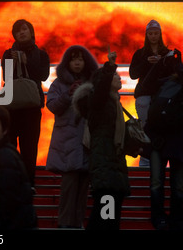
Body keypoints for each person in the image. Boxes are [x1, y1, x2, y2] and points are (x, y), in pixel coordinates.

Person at [73, 48, 131, 230]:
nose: (119, 78)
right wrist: (109, 67)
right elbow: (100, 90)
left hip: (113, 167)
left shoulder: (113, 103)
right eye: (116, 76)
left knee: (107, 216)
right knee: (107, 218)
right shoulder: (99, 103)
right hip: (106, 169)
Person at [46, 45, 98, 228]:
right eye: (73, 59)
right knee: (68, 189)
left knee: (83, 190)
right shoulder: (58, 84)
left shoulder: (93, 83)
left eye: (81, 59)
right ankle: (64, 225)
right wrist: (68, 95)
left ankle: (77, 224)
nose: (77, 62)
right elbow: (52, 106)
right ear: (67, 63)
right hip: (67, 143)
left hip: (85, 142)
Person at [1, 19, 50, 188]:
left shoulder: (41, 55)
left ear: (31, 31)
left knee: (29, 148)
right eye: (17, 31)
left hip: (32, 108)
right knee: (9, 147)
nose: (21, 33)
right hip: (10, 108)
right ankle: (10, 182)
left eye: (24, 29)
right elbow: (6, 78)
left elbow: (42, 75)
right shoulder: (8, 54)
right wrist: (14, 62)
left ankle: (29, 184)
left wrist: (26, 61)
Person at [145, 50, 183, 230]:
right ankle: (159, 217)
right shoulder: (162, 84)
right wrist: (159, 64)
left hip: (177, 140)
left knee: (177, 185)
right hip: (158, 139)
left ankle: (176, 219)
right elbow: (143, 87)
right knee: (158, 183)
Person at [129, 19, 174, 166]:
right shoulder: (140, 54)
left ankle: (158, 160)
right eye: (151, 34)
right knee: (145, 128)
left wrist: (163, 62)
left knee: (160, 128)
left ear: (160, 35)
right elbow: (133, 74)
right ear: (146, 35)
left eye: (155, 33)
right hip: (145, 96)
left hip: (161, 97)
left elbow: (173, 75)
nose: (153, 36)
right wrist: (147, 62)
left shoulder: (167, 53)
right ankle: (145, 161)